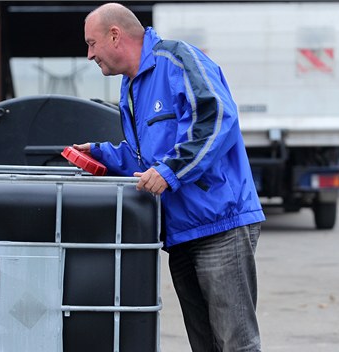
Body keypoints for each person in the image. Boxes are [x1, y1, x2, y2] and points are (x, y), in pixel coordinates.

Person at [76, 3, 266, 351]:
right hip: (179, 232)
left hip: (219, 223)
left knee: (236, 342)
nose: (89, 55)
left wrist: (170, 171)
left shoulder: (177, 60)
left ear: (115, 35)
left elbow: (216, 118)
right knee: (204, 343)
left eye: (92, 43)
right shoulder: (130, 88)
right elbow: (143, 157)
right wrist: (99, 152)